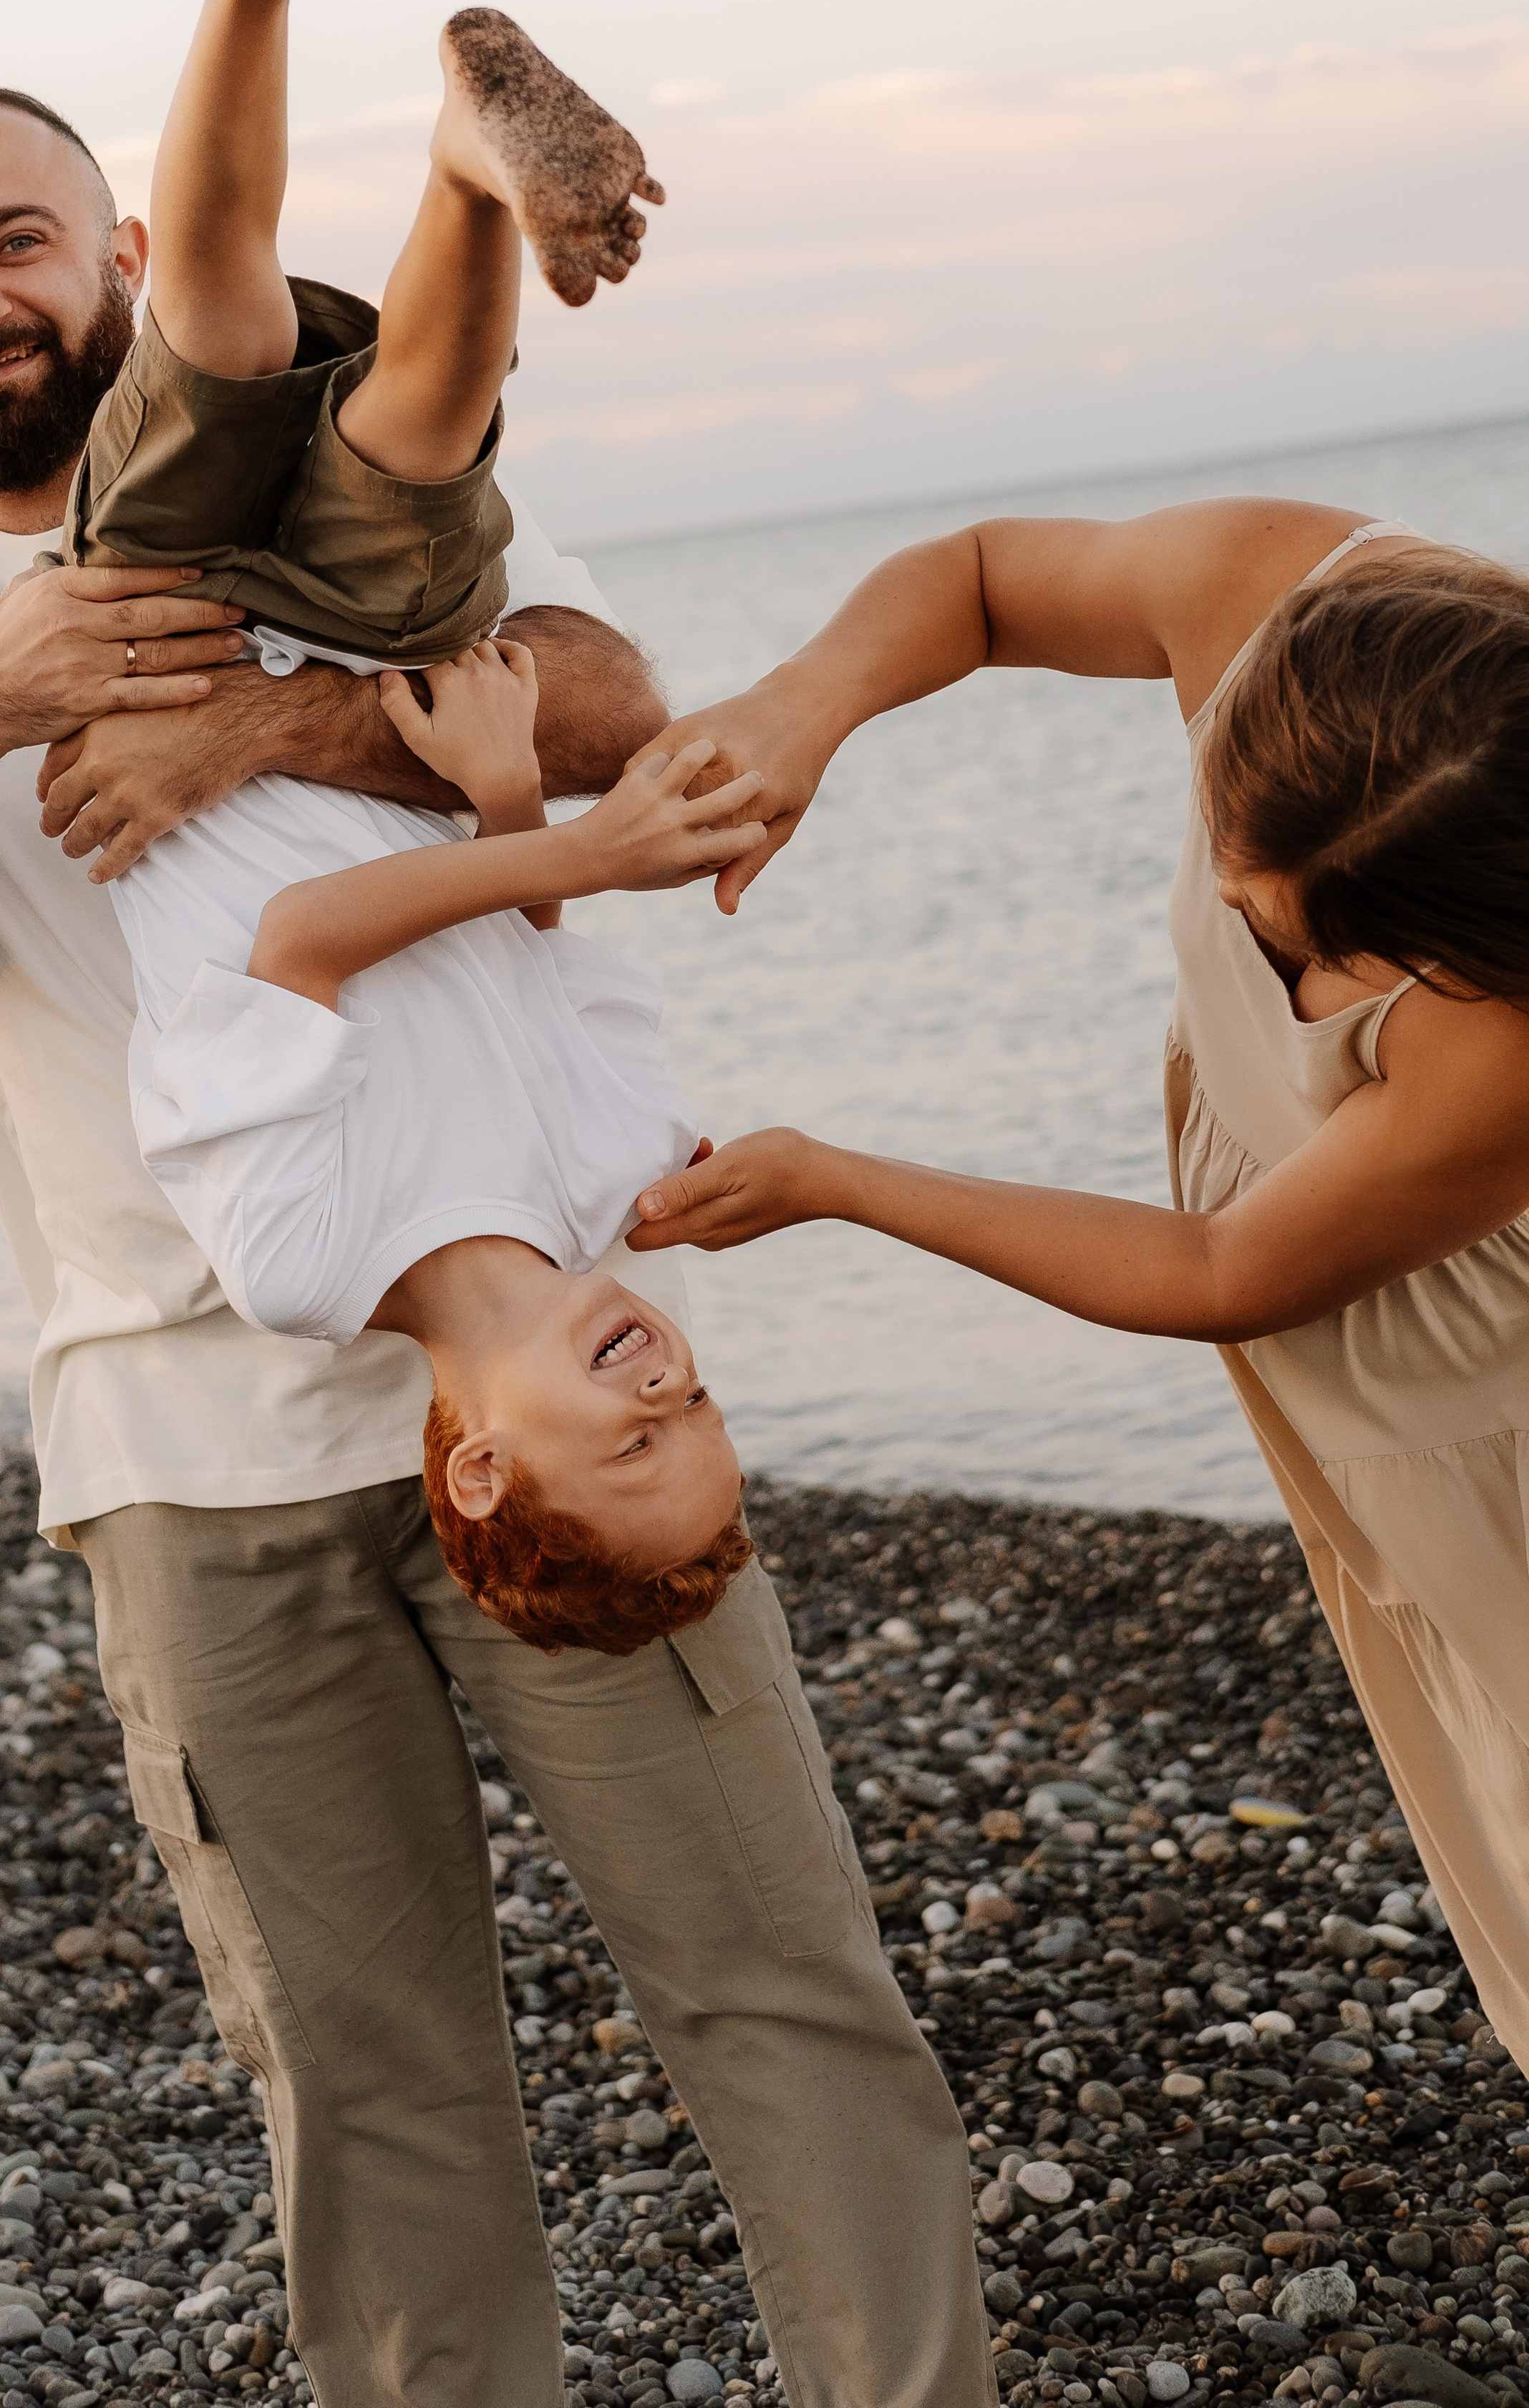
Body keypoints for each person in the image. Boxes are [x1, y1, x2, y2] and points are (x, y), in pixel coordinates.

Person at [0, 0, 999, 2408]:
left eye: (20, 237)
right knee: (370, 2074)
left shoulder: (307, 505)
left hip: (566, 1375)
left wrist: (252, 727)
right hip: (191, 1455)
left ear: (104, 251)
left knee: (776, 1976)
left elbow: (617, 716)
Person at [628, 498, 1529, 2067]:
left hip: (1482, 1434)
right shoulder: (1285, 607)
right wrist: (803, 707)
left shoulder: (1505, 1039)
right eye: (1249, 910)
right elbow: (974, 581)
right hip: (1365, 1414)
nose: (1280, 987)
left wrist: (839, 1182)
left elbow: (1219, 1268)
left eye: (1328, 970)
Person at [86, 0, 757, 1649]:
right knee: (418, 431)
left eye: (628, 1453)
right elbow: (537, 959)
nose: (661, 1394)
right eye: (698, 1418)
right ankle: (473, 163)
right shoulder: (620, 1178)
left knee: (213, 328)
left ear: (472, 1465)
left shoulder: (302, 1271)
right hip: (372, 681)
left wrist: (573, 840)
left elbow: (300, 947)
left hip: (161, 648)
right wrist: (504, 794)